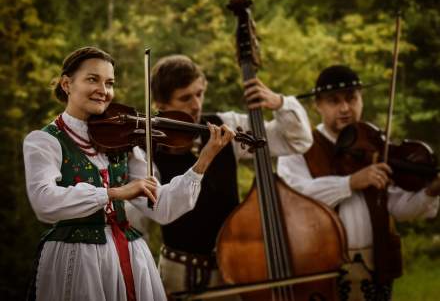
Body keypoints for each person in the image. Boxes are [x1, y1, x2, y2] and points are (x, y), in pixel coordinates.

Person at [23, 47, 235, 301]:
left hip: (129, 257)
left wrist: (205, 159)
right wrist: (115, 193)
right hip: (78, 258)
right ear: (67, 84)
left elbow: (163, 208)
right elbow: (44, 202)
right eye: (93, 79)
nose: (104, 90)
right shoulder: (44, 141)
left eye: (109, 83)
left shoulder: (123, 144)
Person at [142, 54, 313, 299]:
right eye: (185, 98)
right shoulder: (147, 147)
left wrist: (280, 103)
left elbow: (295, 141)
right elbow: (148, 213)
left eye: (199, 93)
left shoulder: (224, 126)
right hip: (179, 273)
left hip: (233, 267)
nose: (196, 105)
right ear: (161, 103)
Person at [277, 65, 440, 301]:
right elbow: (295, 198)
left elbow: (399, 209)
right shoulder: (298, 147)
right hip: (321, 270)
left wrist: (430, 192)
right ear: (317, 105)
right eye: (334, 101)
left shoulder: (376, 145)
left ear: (361, 99)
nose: (345, 108)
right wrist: (350, 182)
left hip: (376, 269)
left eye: (352, 98)